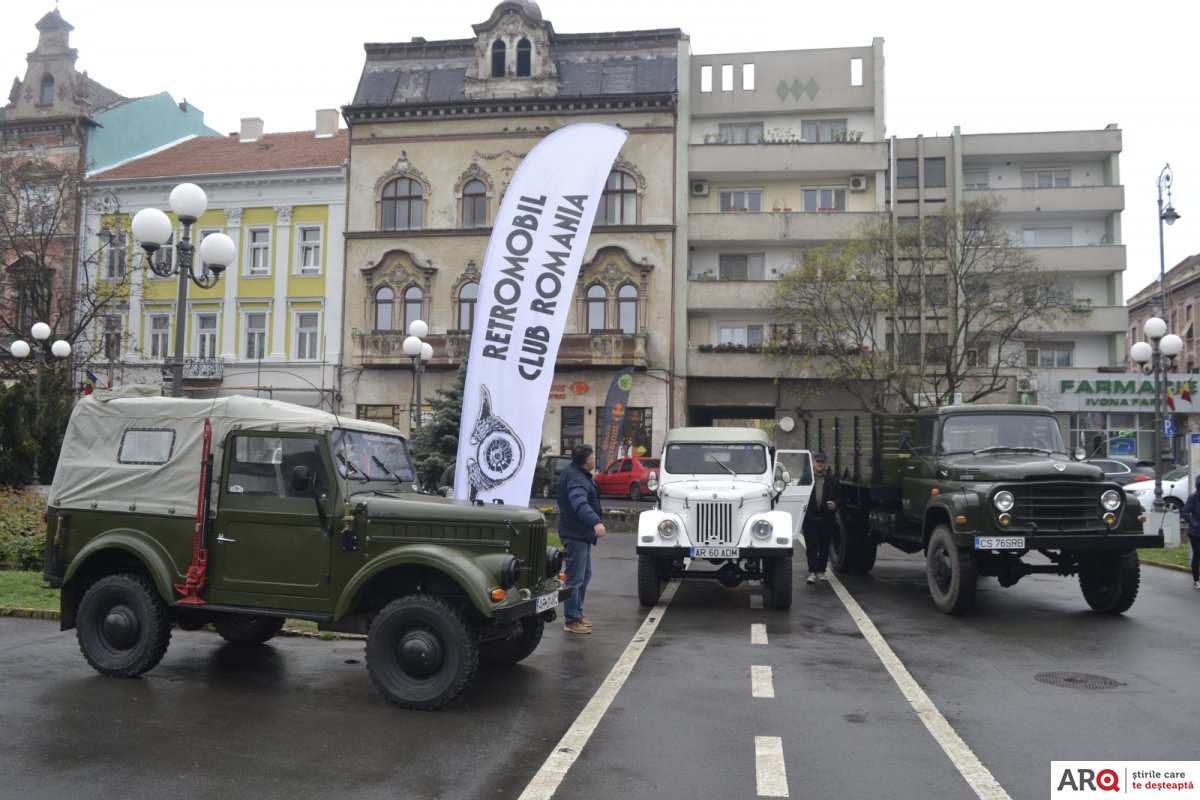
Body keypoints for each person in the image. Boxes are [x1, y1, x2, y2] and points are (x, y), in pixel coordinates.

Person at [557, 443, 607, 633]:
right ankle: (571, 621)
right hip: (574, 534)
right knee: (575, 578)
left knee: (584, 575)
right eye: (593, 456)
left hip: (580, 534)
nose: (595, 459)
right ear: (587, 460)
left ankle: (577, 614)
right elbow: (579, 502)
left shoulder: (577, 473)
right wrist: (596, 522)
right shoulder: (577, 477)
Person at [802, 452, 841, 585]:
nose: (820, 464)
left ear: (825, 464)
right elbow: (799, 494)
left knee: (824, 546)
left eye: (822, 462)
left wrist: (836, 504)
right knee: (812, 546)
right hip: (810, 519)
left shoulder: (832, 480)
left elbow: (840, 497)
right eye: (817, 461)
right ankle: (812, 572)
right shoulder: (806, 478)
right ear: (813, 463)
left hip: (826, 518)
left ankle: (821, 571)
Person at [1181, 475, 1200, 589]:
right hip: (1195, 532)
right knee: (1197, 555)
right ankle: (1196, 580)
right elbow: (1185, 512)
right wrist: (1194, 524)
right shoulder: (1193, 498)